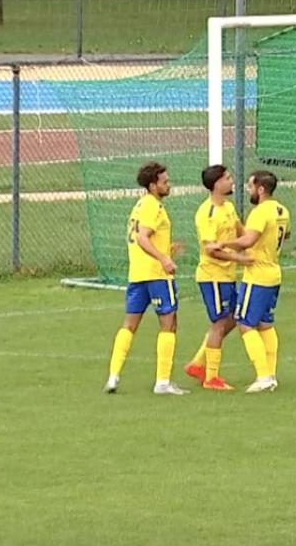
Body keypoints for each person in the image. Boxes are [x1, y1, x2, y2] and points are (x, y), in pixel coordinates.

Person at [104, 161, 188, 395]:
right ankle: (162, 382)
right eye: (164, 182)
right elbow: (142, 238)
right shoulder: (153, 206)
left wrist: (166, 249)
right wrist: (164, 258)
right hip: (157, 275)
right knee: (169, 323)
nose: (168, 185)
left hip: (138, 274)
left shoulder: (139, 205)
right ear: (153, 186)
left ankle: (113, 377)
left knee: (129, 324)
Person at [214, 171, 290, 394]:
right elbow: (286, 235)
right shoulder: (282, 210)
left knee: (245, 324)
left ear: (261, 189)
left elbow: (247, 241)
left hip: (257, 276)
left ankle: (263, 376)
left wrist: (222, 244)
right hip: (274, 273)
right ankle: (271, 375)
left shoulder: (260, 212)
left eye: (250, 186)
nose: (248, 190)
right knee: (265, 324)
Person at [183, 165, 252, 391]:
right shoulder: (207, 213)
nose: (232, 181)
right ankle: (211, 377)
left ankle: (198, 363)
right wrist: (238, 258)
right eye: (227, 178)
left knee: (234, 317)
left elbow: (242, 233)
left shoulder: (229, 207)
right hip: (212, 276)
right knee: (220, 323)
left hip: (227, 275)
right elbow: (210, 250)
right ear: (216, 184)